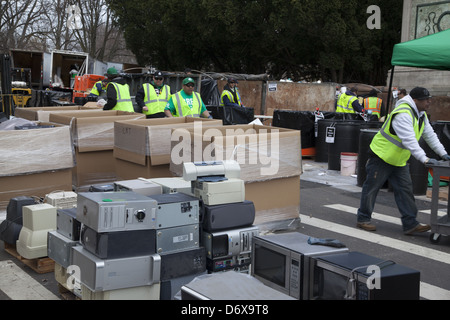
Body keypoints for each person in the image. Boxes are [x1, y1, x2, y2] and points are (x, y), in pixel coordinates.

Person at [357, 87, 450, 235]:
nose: (429, 102)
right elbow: (410, 141)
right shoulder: (402, 114)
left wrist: (444, 154)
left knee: (405, 191)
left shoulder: (421, 115)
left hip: (398, 160)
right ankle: (363, 218)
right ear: (415, 100)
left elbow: (430, 135)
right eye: (426, 100)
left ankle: (410, 223)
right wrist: (425, 159)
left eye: (429, 99)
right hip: (381, 156)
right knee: (372, 188)